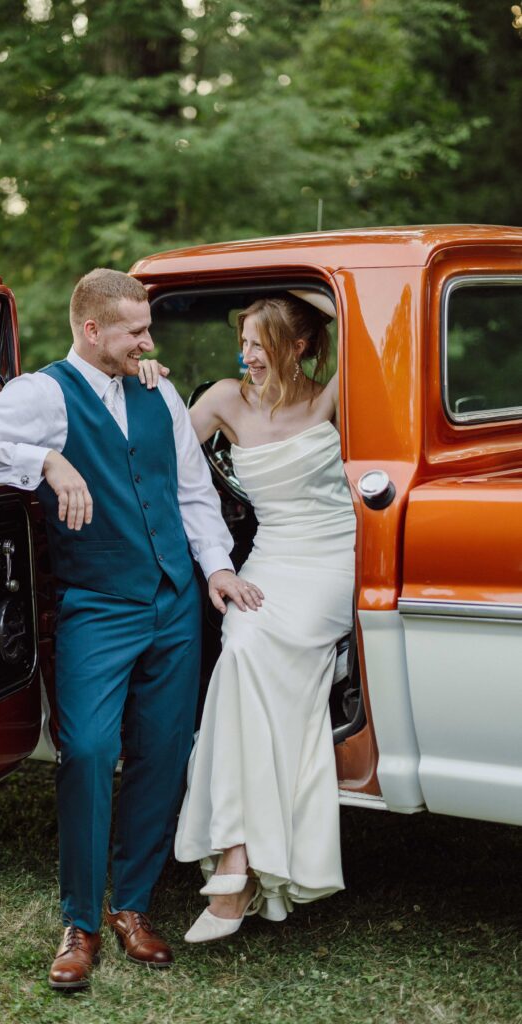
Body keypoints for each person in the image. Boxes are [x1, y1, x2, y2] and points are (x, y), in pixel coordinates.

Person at [0, 268, 263, 990]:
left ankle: (133, 905)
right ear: (92, 331)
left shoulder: (159, 390)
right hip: (98, 603)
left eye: (147, 328)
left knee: (163, 748)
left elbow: (190, 491)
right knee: (86, 750)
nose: (148, 342)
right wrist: (44, 460)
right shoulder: (44, 394)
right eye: (135, 331)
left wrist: (212, 567)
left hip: (175, 602)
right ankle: (80, 921)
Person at [172, 291, 356, 942]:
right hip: (269, 560)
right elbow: (157, 459)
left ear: (300, 346)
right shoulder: (223, 398)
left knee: (256, 665)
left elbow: (373, 323)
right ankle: (241, 860)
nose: (244, 355)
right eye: (242, 341)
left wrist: (321, 295)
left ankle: (234, 868)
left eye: (259, 342)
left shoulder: (331, 395)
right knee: (244, 651)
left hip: (331, 562)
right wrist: (146, 386)